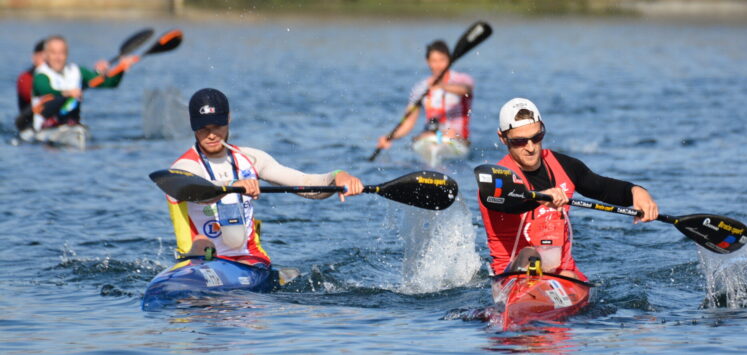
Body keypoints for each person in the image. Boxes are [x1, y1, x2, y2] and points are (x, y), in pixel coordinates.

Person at [165, 88, 365, 266]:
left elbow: (308, 186)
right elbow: (198, 191)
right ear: (192, 125)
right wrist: (234, 184)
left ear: (228, 119)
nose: (211, 135)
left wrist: (338, 177)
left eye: (217, 126)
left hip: (249, 259)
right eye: (203, 128)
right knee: (202, 243)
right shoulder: (184, 167)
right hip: (197, 262)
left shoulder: (252, 158)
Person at [478, 98, 660, 281]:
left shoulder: (564, 165)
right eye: (520, 141)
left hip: (565, 276)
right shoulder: (497, 179)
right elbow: (508, 205)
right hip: (513, 277)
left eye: (537, 137)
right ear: (502, 138)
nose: (531, 148)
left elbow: (603, 187)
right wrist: (538, 199)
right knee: (529, 254)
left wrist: (636, 191)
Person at [375, 40, 474, 165]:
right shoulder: (420, 88)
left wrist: (441, 85)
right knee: (422, 136)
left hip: (457, 138)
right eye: (434, 61)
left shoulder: (462, 79)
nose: (438, 65)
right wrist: (390, 137)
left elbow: (465, 89)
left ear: (449, 60)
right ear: (428, 63)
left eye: (442, 60)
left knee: (449, 134)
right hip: (430, 136)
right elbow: (408, 122)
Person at [29, 35, 138, 132]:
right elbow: (46, 90)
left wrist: (121, 68)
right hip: (44, 127)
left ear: (67, 54)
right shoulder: (40, 75)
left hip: (72, 125)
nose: (58, 58)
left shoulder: (76, 71)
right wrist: (68, 93)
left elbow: (110, 83)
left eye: (62, 53)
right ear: (46, 55)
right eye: (54, 53)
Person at [14, 39, 45, 132]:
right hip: (28, 122)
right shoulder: (26, 77)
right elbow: (28, 95)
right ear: (34, 57)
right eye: (44, 58)